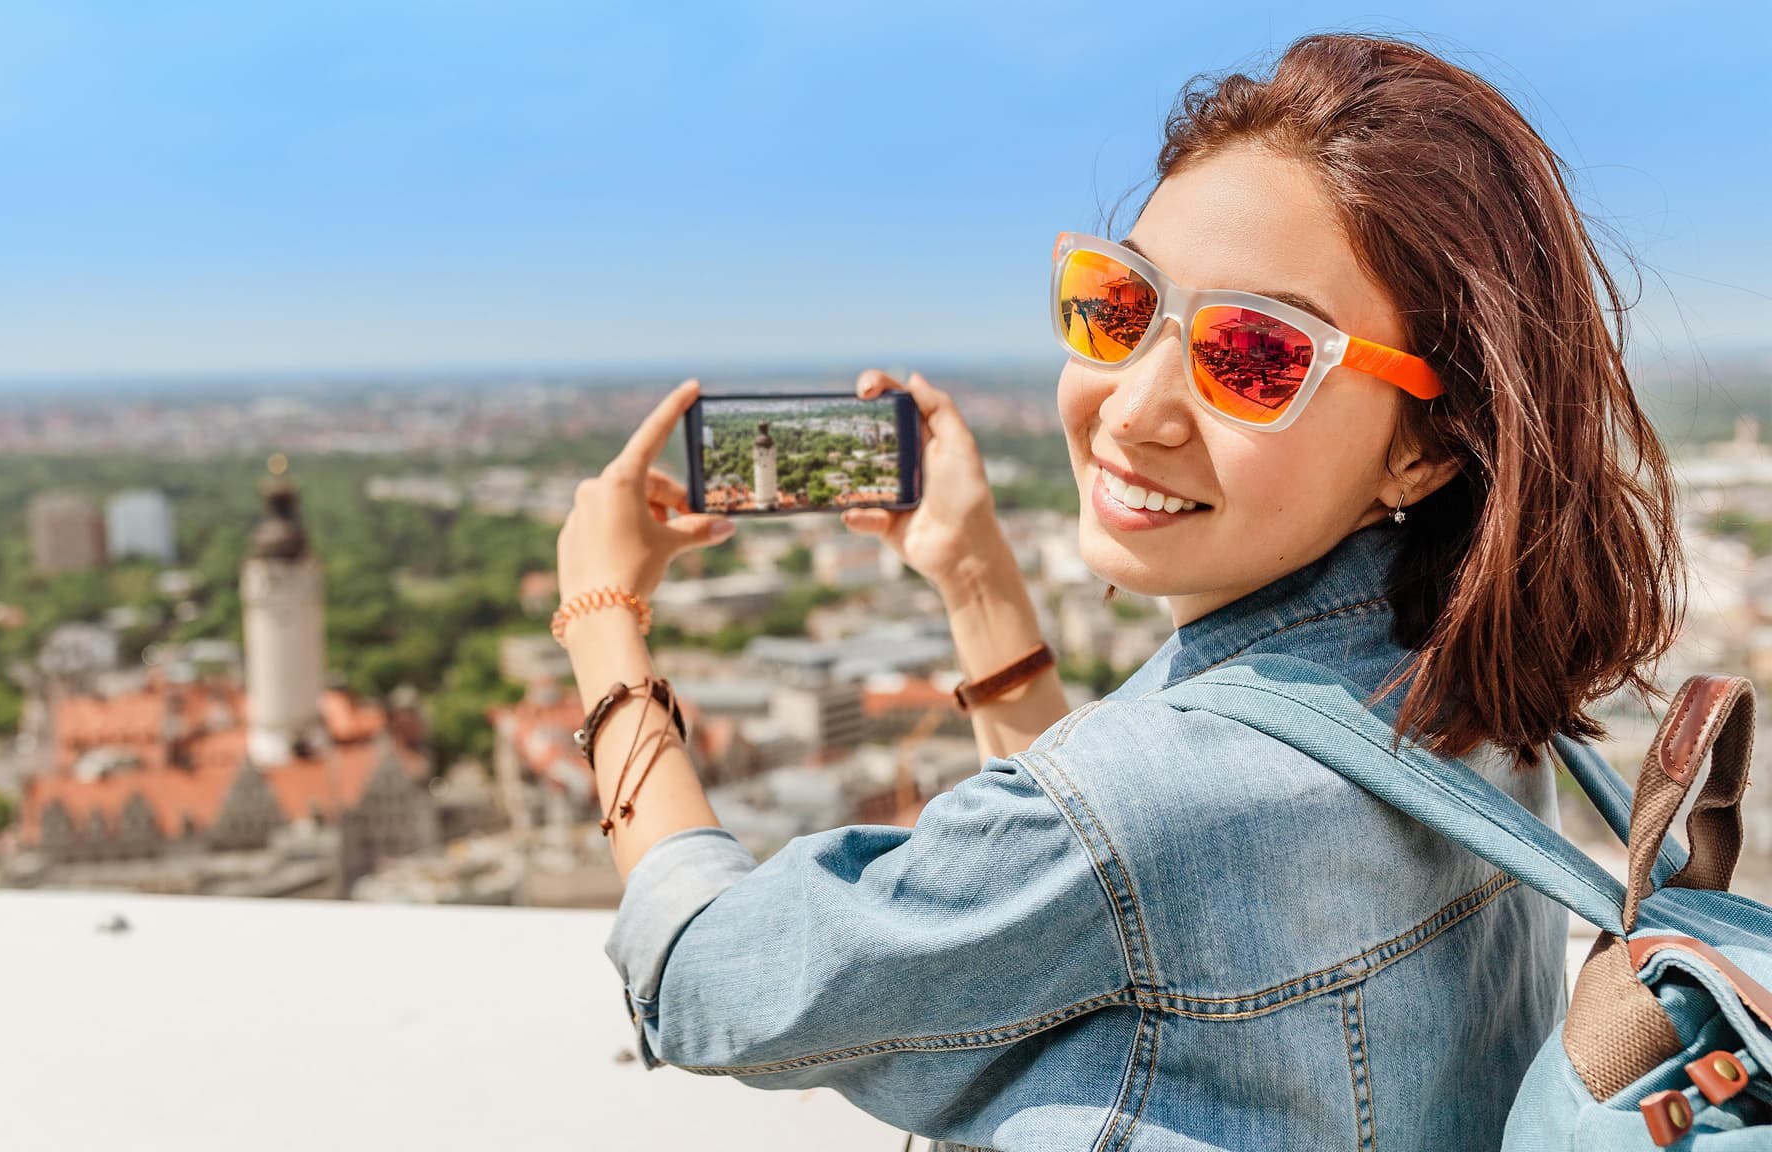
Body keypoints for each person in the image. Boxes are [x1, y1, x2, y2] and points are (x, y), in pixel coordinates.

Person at [551, 32, 1683, 1151]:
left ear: (1423, 448)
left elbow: (706, 980)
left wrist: (602, 620)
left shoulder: (1142, 813)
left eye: (1252, 356)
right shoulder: (1461, 678)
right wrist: (972, 572)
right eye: (1117, 304)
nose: (1133, 407)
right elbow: (1132, 881)